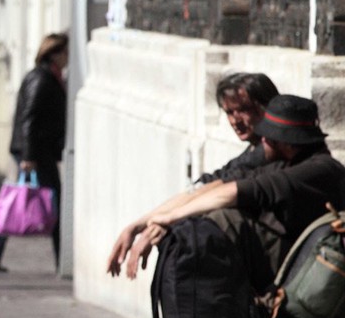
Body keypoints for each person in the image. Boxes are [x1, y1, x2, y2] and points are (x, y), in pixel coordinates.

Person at [115, 94, 345, 289]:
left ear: (289, 142)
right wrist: (141, 224)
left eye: (271, 136)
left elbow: (232, 193)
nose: (263, 139)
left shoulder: (319, 170)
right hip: (277, 264)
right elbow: (214, 187)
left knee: (218, 221)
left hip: (300, 274)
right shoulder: (281, 161)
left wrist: (168, 219)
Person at [104, 72, 277, 273]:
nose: (235, 120)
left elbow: (221, 189)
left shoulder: (272, 153)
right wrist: (140, 225)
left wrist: (167, 220)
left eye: (243, 110)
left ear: (267, 108)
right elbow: (206, 185)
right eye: (229, 112)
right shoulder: (253, 151)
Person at [0, 33, 69, 273]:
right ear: (55, 53)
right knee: (54, 203)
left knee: (29, 201)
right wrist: (28, 156)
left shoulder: (49, 77)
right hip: (35, 152)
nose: (68, 58)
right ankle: (63, 260)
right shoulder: (42, 78)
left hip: (38, 150)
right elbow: (30, 119)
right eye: (66, 52)